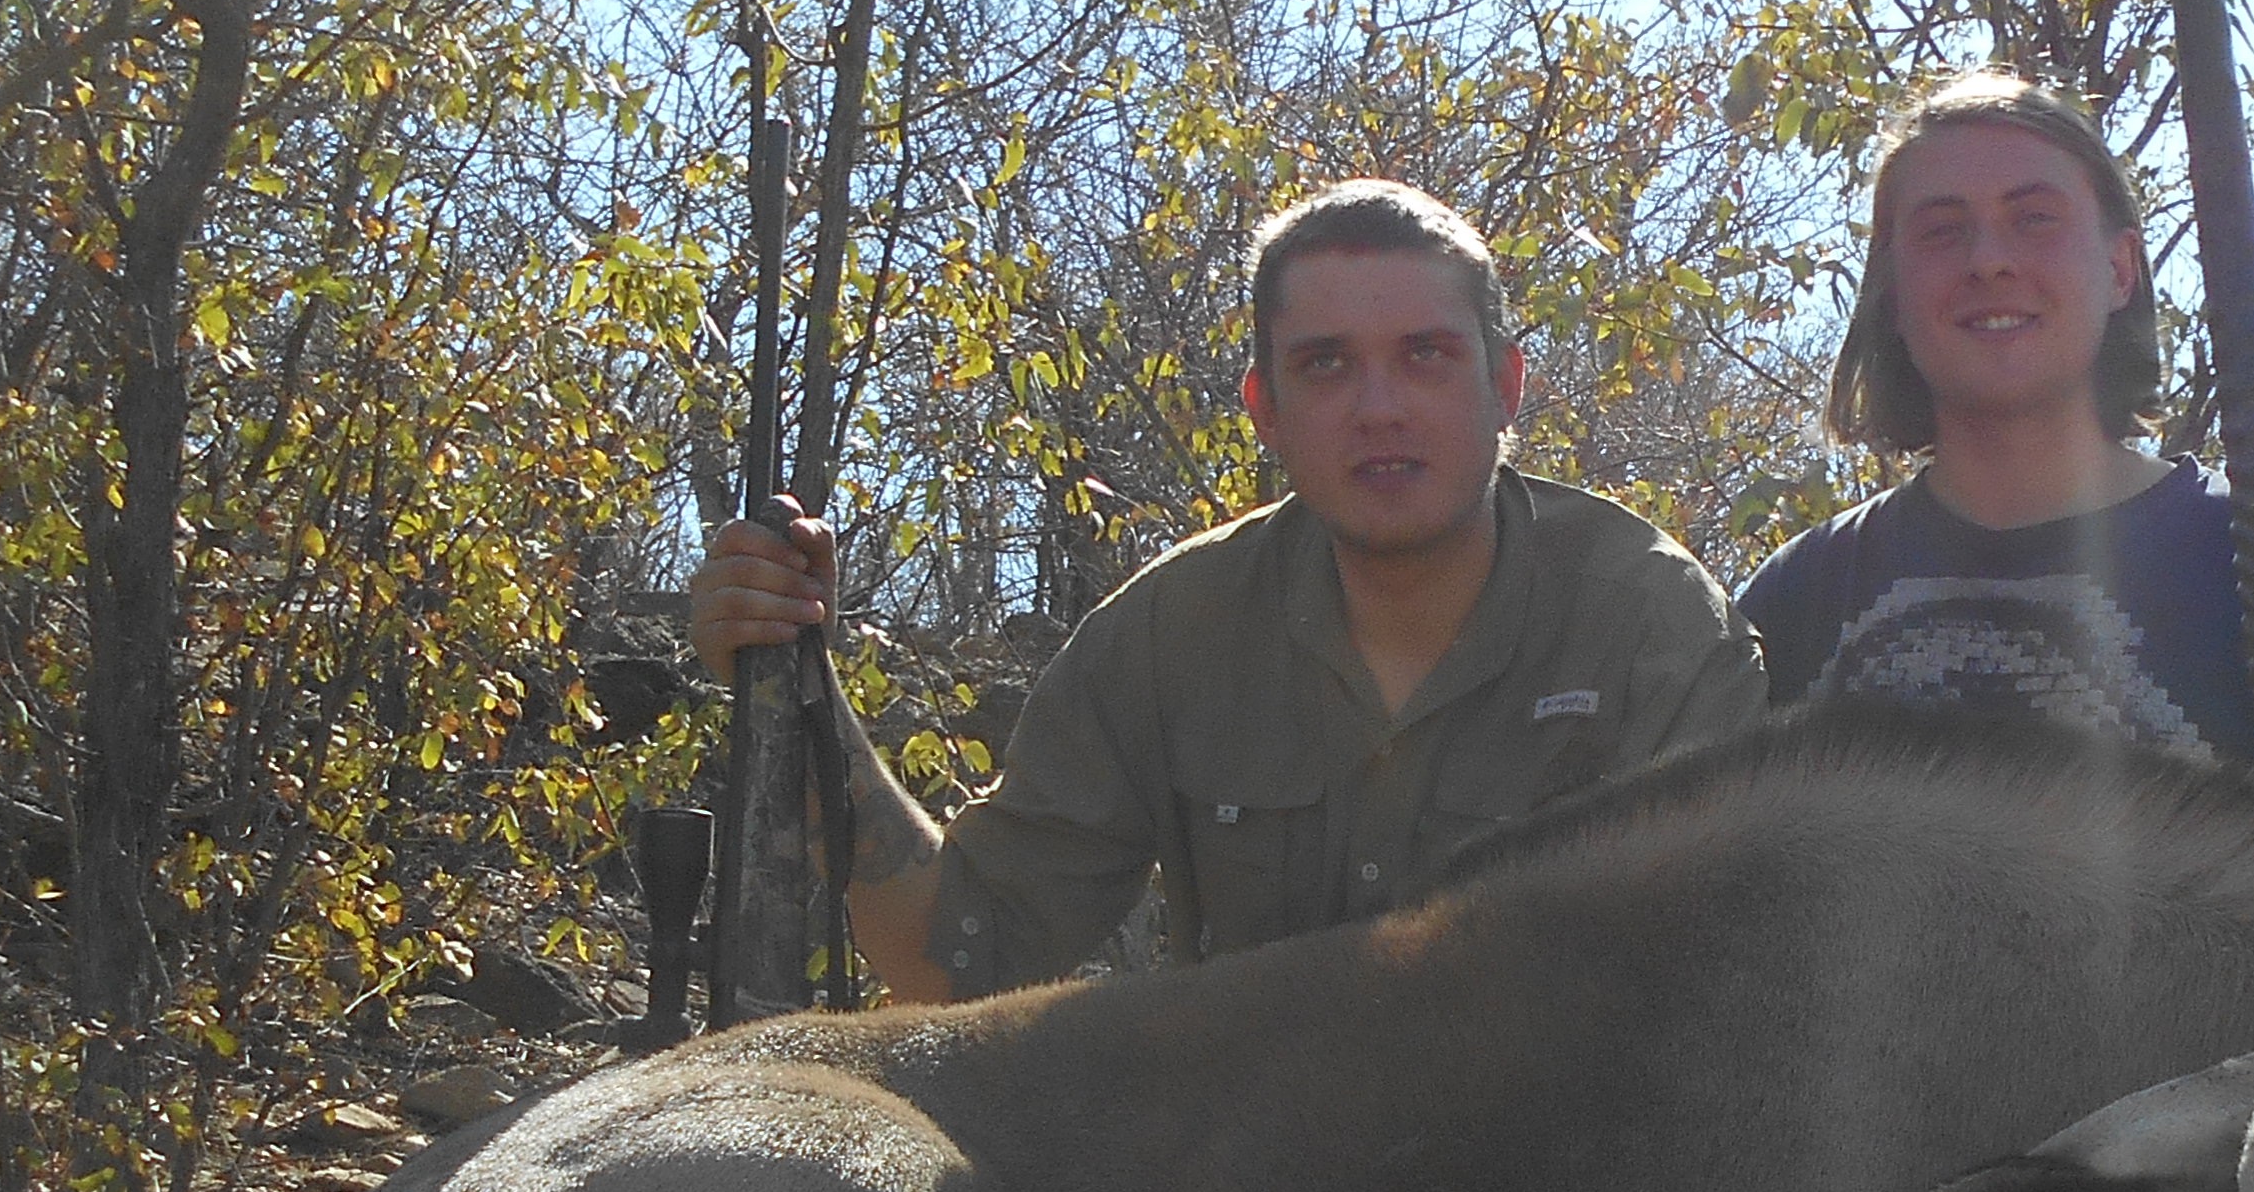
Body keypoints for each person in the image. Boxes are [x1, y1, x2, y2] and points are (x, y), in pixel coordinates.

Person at [685, 181, 1760, 999]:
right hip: (1239, 1188)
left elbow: (1725, 1002)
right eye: (1326, 364)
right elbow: (966, 956)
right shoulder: (1171, 633)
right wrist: (798, 685)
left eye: (1427, 355)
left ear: (1506, 387)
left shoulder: (1651, 627)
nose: (1379, 408)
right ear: (1265, 409)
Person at [1736, 68, 2254, 833]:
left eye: (2034, 219)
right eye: (1941, 230)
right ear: (1892, 292)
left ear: (2120, 269)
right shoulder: (1795, 602)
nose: (1988, 260)